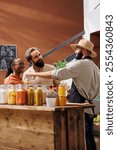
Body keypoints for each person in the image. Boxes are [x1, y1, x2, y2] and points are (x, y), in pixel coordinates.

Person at [26, 39, 100, 150]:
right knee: (88, 137)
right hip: (89, 106)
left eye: (77, 50)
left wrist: (33, 74)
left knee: (81, 139)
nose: (75, 52)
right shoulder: (93, 66)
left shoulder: (80, 64)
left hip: (81, 107)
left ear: (84, 51)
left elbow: (57, 74)